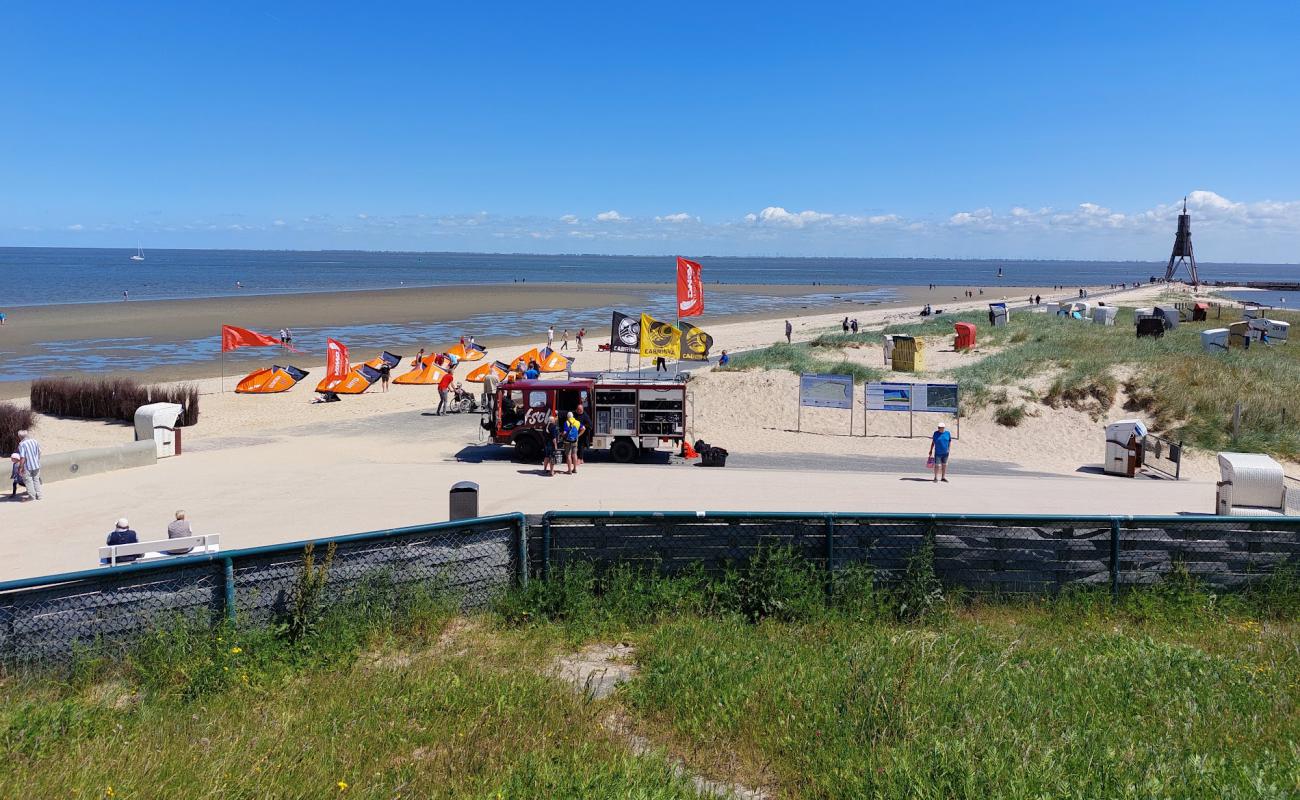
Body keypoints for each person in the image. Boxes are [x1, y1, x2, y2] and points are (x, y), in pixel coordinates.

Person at [16, 430, 41, 501]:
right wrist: (37, 460)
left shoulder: (22, 444)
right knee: (36, 480)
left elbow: (22, 457)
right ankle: (39, 495)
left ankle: (32, 496)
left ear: (20, 437)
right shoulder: (34, 441)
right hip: (37, 464)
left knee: (28, 481)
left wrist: (20, 467)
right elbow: (39, 452)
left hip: (28, 466)